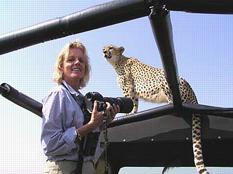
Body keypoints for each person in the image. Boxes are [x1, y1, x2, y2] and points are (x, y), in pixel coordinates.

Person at [41, 40, 120, 174]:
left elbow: (88, 144)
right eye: (71, 59)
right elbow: (50, 145)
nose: (77, 62)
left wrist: (103, 123)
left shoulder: (83, 101)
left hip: (86, 167)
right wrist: (90, 125)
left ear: (85, 68)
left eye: (81, 61)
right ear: (61, 66)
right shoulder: (57, 95)